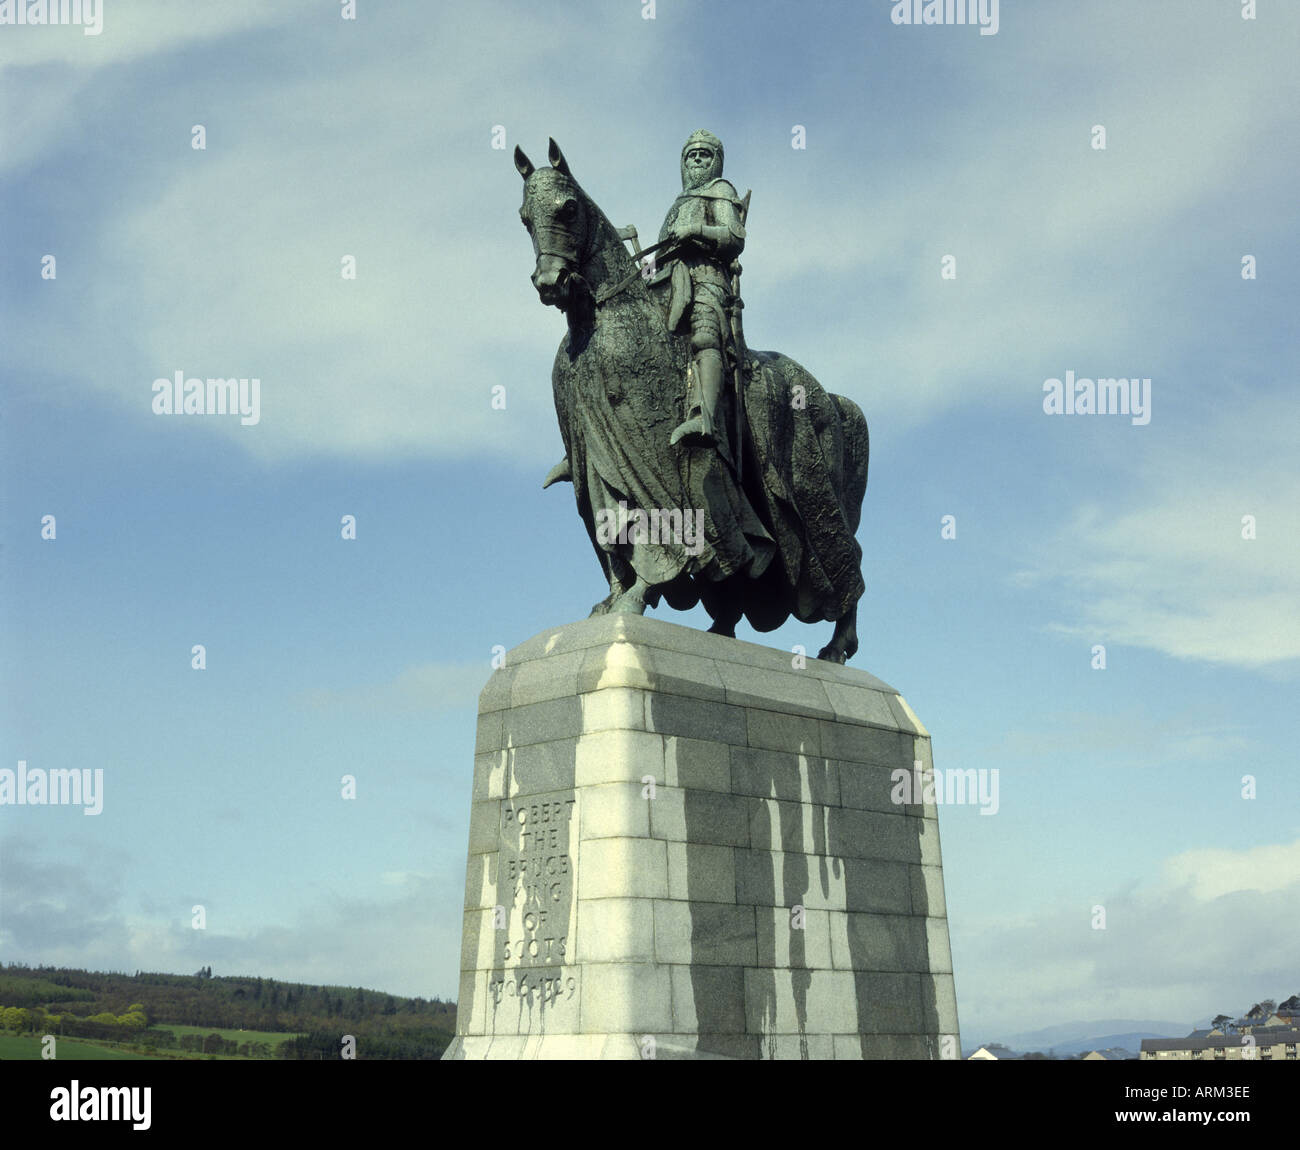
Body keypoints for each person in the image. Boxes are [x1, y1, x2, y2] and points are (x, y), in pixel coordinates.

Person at [652, 129, 746, 449]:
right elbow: (659, 256)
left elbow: (734, 237)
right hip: (668, 283)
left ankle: (704, 417)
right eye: (690, 155)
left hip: (706, 279)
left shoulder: (719, 190)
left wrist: (695, 229)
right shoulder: (677, 203)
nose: (696, 159)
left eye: (703, 154)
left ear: (716, 162)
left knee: (705, 333)